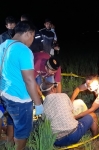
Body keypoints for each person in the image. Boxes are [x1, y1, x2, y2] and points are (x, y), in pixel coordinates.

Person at [0, 21, 43, 150]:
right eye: (32, 36)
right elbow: (29, 80)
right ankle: (19, 147)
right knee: (23, 130)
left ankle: (9, 142)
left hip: (5, 94)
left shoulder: (2, 45)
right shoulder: (24, 50)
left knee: (12, 120)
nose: (32, 41)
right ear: (28, 33)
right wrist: (38, 104)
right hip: (20, 99)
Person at [40, 81, 99, 147]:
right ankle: (95, 139)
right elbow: (71, 110)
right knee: (93, 115)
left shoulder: (42, 106)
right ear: (52, 89)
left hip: (57, 141)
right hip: (74, 135)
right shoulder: (63, 95)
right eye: (55, 87)